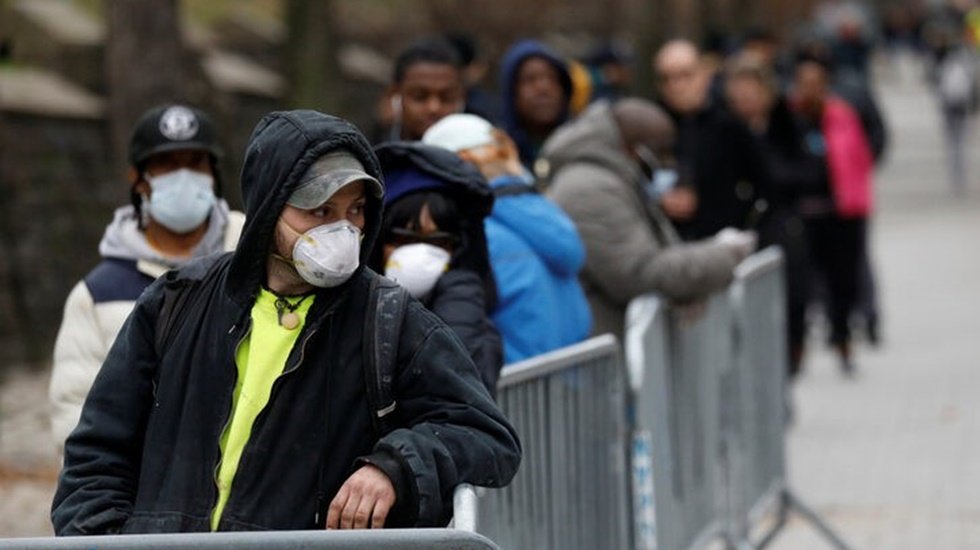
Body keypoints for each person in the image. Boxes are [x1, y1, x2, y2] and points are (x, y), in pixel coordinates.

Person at [52, 110, 521, 534]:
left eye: (355, 210)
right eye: (319, 210)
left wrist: (395, 465)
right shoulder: (177, 300)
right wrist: (104, 541)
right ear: (269, 207)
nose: (343, 229)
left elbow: (486, 436)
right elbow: (97, 453)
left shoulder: (389, 321)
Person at [49, 104, 245, 452]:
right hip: (145, 496)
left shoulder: (253, 258)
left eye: (196, 163)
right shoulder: (98, 295)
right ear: (138, 179)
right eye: (168, 165)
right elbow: (75, 417)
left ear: (213, 173)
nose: (184, 176)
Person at [540, 98, 756, 340]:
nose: (668, 164)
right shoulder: (589, 190)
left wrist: (686, 289)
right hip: (601, 349)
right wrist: (723, 255)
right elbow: (638, 273)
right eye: (661, 152)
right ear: (637, 150)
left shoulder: (611, 177)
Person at [423, 113, 591, 363]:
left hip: (511, 392)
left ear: (461, 163)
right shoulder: (544, 213)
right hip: (572, 388)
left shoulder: (479, 234)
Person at [369, 141, 504, 393]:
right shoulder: (351, 306)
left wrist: (460, 294)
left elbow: (465, 393)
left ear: (458, 248)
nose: (419, 251)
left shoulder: (471, 314)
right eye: (402, 238)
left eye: (439, 241)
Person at [724, 53, 826, 377]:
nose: (746, 103)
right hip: (739, 230)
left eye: (752, 94)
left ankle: (791, 355)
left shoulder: (788, 126)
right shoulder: (723, 131)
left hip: (784, 225)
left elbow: (813, 172)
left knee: (793, 295)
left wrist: (772, 174)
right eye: (739, 96)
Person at [790, 52, 875, 375]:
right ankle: (796, 349)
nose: (810, 89)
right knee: (800, 286)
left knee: (844, 282)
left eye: (816, 83)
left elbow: (860, 156)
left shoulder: (842, 116)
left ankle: (842, 341)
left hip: (842, 212)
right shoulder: (789, 119)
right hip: (803, 214)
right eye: (804, 83)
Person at [653, 39, 770, 240]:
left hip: (721, 244)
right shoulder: (650, 129)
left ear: (703, 75)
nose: (677, 86)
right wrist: (658, 202)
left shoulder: (729, 126)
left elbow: (762, 184)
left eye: (685, 75)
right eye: (667, 78)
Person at [499, 39, 574, 173]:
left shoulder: (580, 149)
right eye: (530, 79)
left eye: (552, 78)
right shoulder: (496, 156)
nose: (543, 88)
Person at [381, 38, 466, 142]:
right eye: (420, 97)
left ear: (462, 97)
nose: (434, 108)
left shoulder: (483, 150)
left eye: (446, 98)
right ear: (394, 94)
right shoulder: (370, 151)